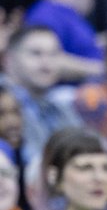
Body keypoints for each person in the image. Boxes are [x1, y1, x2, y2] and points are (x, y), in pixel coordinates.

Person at [2, 25, 82, 165]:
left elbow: (84, 148)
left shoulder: (60, 105)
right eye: (36, 53)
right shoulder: (4, 101)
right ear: (8, 59)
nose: (46, 63)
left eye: (53, 54)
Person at [22, 0, 105, 80]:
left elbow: (80, 47)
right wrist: (105, 69)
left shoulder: (69, 15)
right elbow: (48, 59)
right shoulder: (45, 14)